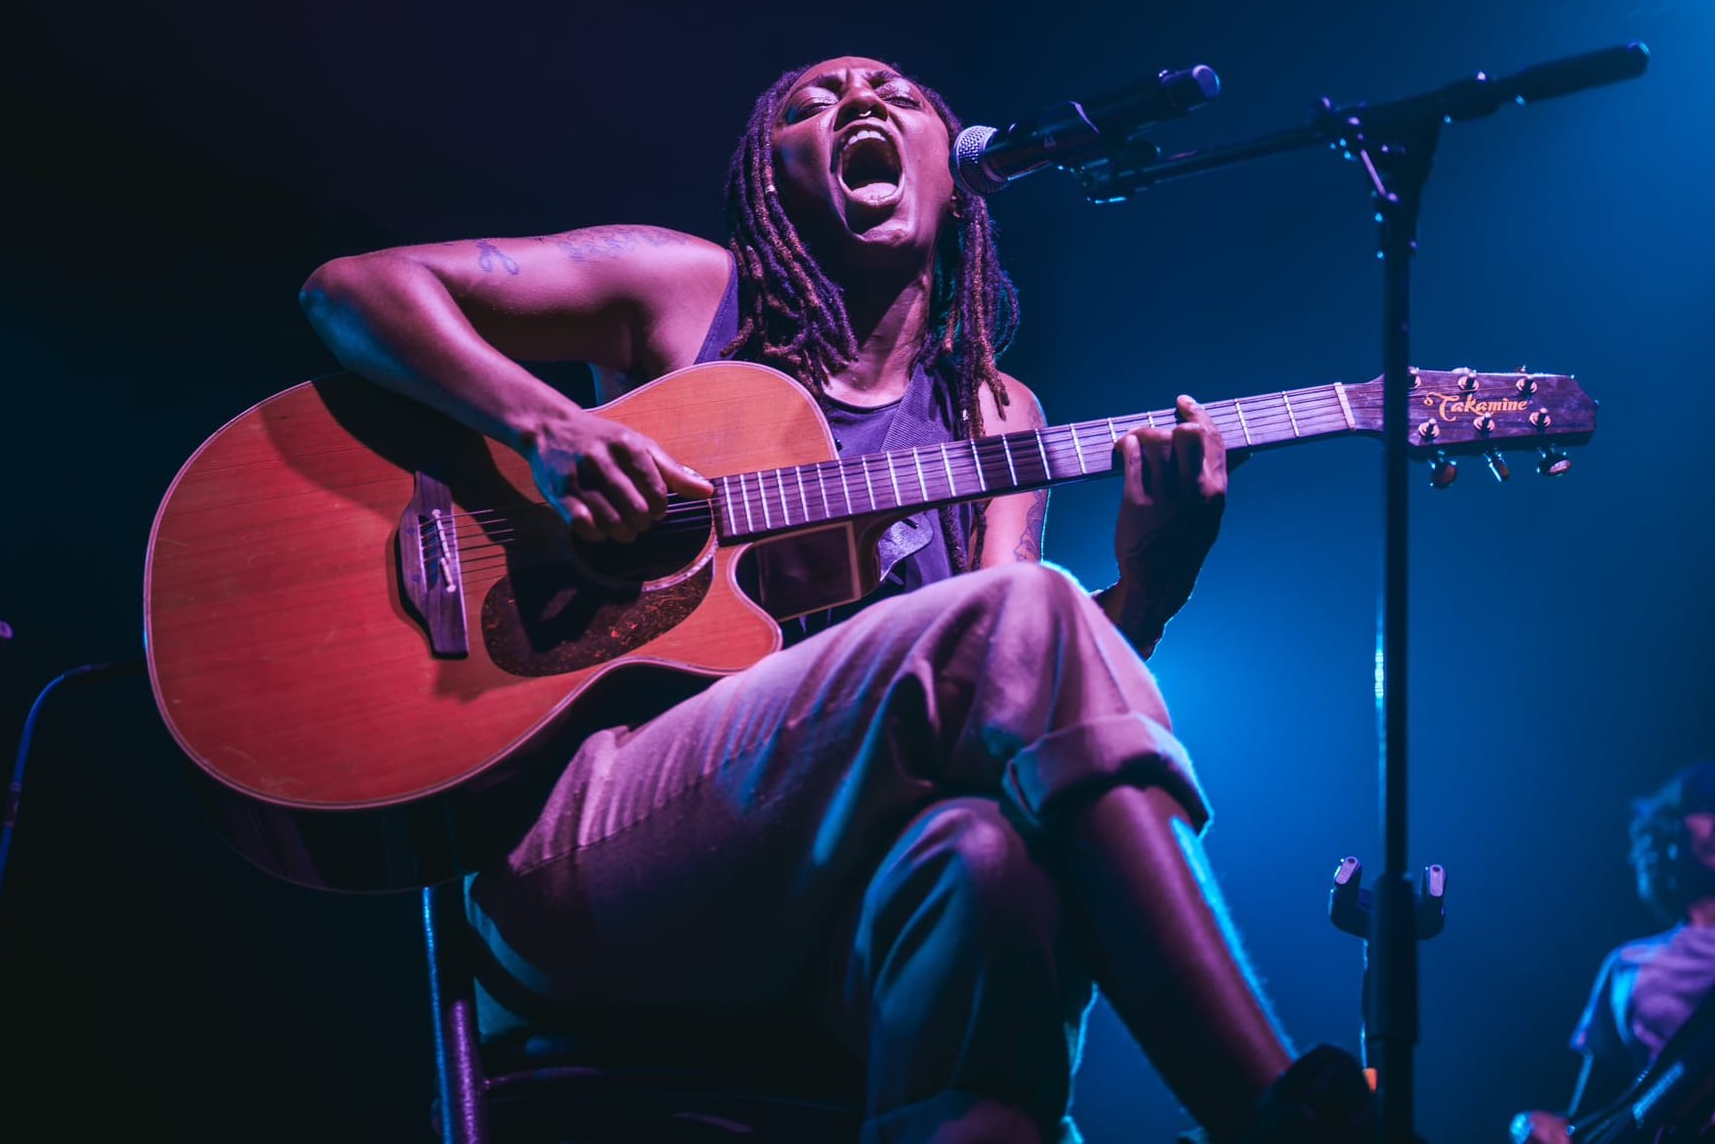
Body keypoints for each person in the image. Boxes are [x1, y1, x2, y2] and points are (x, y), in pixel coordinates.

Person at [301, 55, 1372, 1143]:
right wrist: (547, 427)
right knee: (1027, 614)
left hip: (820, 919)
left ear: (958, 183)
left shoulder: (999, 419)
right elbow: (353, 291)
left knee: (992, 866)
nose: (859, 101)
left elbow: (1018, 693)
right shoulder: (681, 293)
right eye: (808, 106)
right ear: (768, 183)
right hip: (594, 850)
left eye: (897, 95)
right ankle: (1267, 1110)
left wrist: (1147, 592)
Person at [1516, 762, 1715, 1144]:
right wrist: (1530, 1126)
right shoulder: (1628, 965)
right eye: (1709, 806)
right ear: (1668, 831)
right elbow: (1593, 1114)